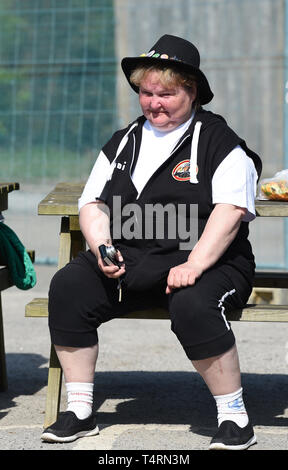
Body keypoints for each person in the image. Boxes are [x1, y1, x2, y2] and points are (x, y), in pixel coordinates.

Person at [41, 34, 262, 450]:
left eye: (167, 93)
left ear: (192, 92)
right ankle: (80, 410)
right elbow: (93, 202)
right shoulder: (124, 140)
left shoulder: (219, 141)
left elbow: (231, 211)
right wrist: (102, 245)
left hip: (211, 261)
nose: (154, 102)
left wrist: (195, 264)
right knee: (69, 286)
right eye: (146, 92)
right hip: (134, 259)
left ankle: (234, 417)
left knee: (194, 302)